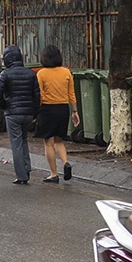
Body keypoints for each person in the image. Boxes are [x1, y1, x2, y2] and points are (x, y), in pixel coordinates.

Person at [0, 45, 41, 184]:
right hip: (28, 113)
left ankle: (21, 176)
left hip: (12, 113)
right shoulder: (31, 74)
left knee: (16, 144)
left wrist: (4, 105)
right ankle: (26, 168)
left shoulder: (5, 74)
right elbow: (37, 95)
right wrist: (35, 112)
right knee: (24, 140)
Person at [34, 45, 75, 182]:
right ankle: (65, 162)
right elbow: (71, 94)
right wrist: (75, 111)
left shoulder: (41, 74)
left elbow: (40, 95)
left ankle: (53, 174)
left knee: (48, 142)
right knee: (59, 140)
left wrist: (36, 112)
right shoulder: (66, 72)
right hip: (63, 109)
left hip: (47, 109)